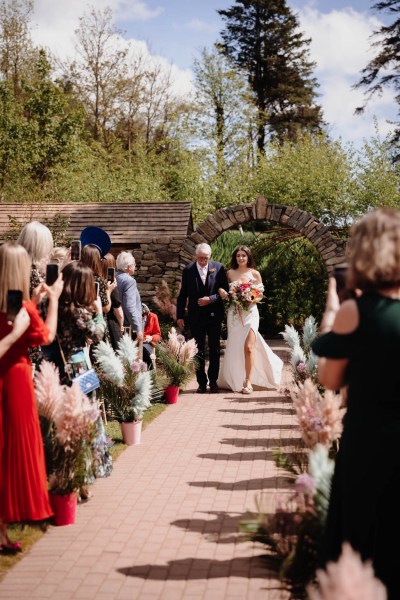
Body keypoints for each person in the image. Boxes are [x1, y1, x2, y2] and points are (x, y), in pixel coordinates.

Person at [312, 208, 400, 599]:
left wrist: (332, 311)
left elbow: (328, 379)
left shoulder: (356, 312)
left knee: (362, 544)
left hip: (368, 444)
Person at [0, 242, 63, 553]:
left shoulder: (14, 304)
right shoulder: (20, 308)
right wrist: (52, 301)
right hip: (16, 380)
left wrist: (33, 300)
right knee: (16, 448)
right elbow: (46, 336)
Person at [217, 245, 283, 394]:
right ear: (235, 257)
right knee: (235, 346)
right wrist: (223, 292)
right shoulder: (229, 274)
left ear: (248, 257)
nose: (241, 258)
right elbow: (221, 289)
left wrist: (249, 298)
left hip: (251, 312)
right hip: (235, 313)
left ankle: (248, 381)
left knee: (249, 347)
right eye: (238, 255)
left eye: (244, 255)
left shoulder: (255, 273)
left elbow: (260, 294)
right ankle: (233, 377)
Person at [176, 243, 228, 394]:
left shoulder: (218, 268)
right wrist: (179, 315)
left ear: (210, 257)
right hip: (196, 316)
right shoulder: (188, 270)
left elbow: (225, 292)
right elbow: (182, 295)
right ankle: (201, 383)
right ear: (195, 256)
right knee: (198, 350)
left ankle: (213, 382)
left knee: (215, 350)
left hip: (214, 315)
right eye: (200, 258)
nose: (203, 261)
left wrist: (211, 299)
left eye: (205, 258)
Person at [116, 252, 143, 342]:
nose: (135, 267)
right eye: (134, 264)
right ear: (129, 267)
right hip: (127, 326)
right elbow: (129, 306)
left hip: (114, 322)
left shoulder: (114, 277)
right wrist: (137, 328)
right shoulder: (129, 281)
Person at [102, 253, 124, 351]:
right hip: (109, 324)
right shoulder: (111, 286)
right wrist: (121, 325)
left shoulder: (94, 281)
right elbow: (118, 312)